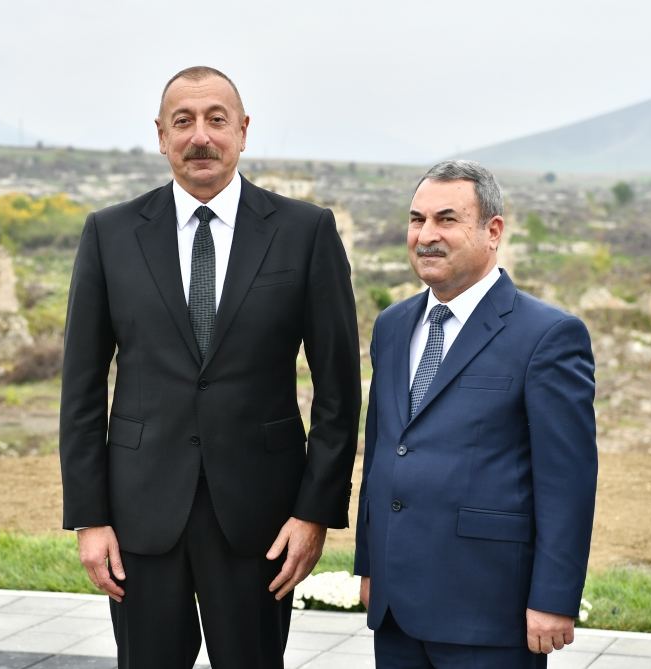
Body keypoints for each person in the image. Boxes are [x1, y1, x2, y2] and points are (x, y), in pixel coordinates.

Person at [58, 66, 361, 669]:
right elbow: (82, 390)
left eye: (216, 120)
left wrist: (313, 514)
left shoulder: (305, 232)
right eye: (184, 121)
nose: (201, 136)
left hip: (262, 518)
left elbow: (338, 391)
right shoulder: (109, 234)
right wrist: (89, 519)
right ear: (161, 136)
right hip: (140, 515)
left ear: (243, 131)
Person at [354, 160, 597, 668]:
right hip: (397, 608)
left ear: (493, 231)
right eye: (417, 220)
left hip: (489, 610)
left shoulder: (547, 336)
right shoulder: (393, 326)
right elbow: (383, 449)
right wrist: (370, 566)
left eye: (446, 220)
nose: (426, 236)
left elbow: (567, 480)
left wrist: (553, 598)